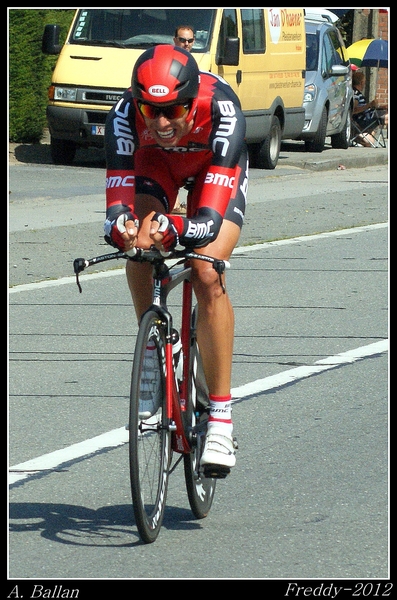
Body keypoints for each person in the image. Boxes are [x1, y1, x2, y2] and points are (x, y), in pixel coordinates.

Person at [103, 45, 248, 475]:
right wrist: (123, 229)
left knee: (206, 271)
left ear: (192, 97)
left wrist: (178, 228)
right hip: (157, 166)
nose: (162, 122)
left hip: (212, 171)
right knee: (141, 247)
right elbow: (116, 209)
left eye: (174, 110)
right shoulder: (124, 116)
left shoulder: (221, 107)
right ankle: (154, 349)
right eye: (151, 110)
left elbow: (205, 222)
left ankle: (219, 416)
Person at [171, 25, 196, 214]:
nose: (186, 44)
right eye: (182, 40)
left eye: (190, 41)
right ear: (175, 40)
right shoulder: (169, 59)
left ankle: (181, 202)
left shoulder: (195, 61)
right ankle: (173, 202)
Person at [352, 70, 388, 147]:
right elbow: (353, 111)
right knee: (388, 117)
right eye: (364, 82)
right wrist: (369, 105)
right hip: (364, 120)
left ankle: (361, 136)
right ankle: (357, 135)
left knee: (369, 142)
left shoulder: (358, 93)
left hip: (369, 116)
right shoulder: (355, 95)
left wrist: (381, 107)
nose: (364, 84)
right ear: (361, 82)